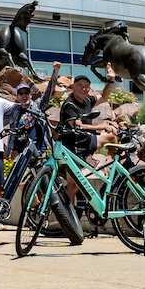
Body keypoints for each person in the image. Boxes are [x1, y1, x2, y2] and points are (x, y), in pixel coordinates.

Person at [58, 65, 119, 202]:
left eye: (86, 86)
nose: (84, 88)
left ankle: (114, 172)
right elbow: (77, 125)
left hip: (86, 141)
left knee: (112, 137)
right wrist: (102, 126)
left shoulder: (87, 101)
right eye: (80, 85)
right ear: (73, 87)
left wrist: (111, 80)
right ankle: (70, 218)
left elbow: (103, 96)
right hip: (72, 147)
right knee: (73, 185)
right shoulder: (69, 105)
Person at [6, 61, 61, 162]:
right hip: (23, 153)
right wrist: (11, 151)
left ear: (30, 95)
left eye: (26, 92)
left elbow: (49, 90)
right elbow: (12, 132)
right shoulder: (14, 111)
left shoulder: (38, 106)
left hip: (41, 151)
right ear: (17, 97)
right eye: (21, 93)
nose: (24, 95)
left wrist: (55, 71)